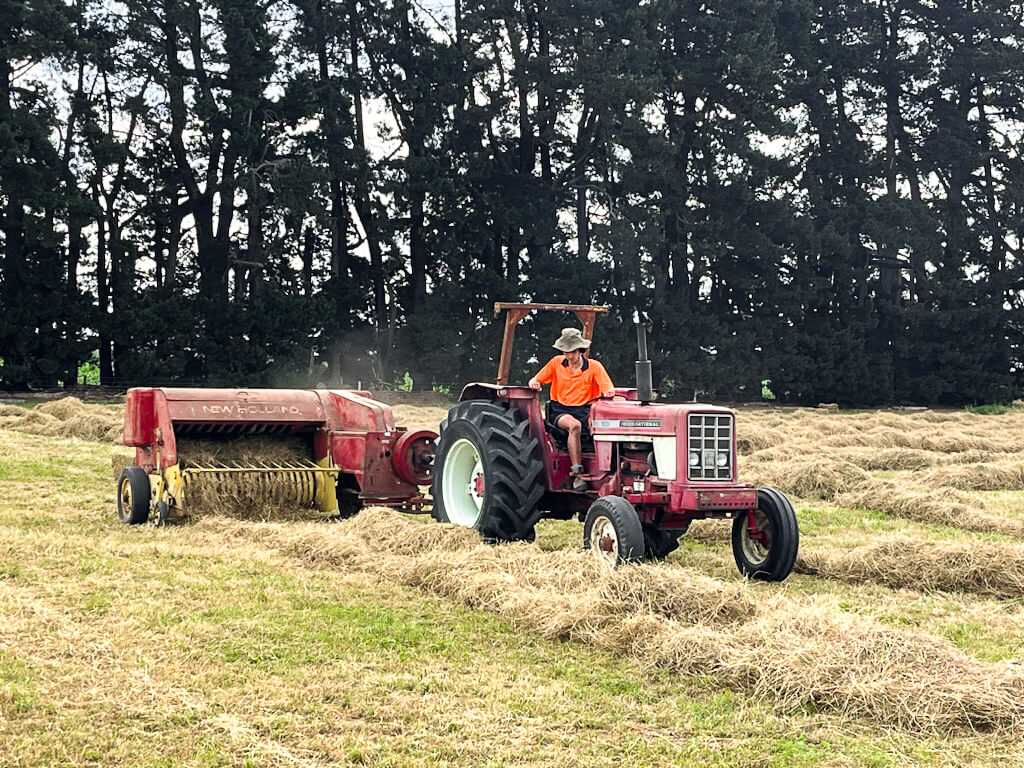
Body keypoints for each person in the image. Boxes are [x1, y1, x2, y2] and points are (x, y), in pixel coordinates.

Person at [528, 327, 615, 490]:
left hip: (585, 411)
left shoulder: (594, 367)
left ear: (580, 350)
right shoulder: (556, 363)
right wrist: (534, 382)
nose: (569, 356)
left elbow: (607, 388)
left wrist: (609, 392)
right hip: (560, 410)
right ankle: (577, 473)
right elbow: (536, 379)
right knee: (574, 426)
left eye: (572, 352)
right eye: (565, 352)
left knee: (606, 424)